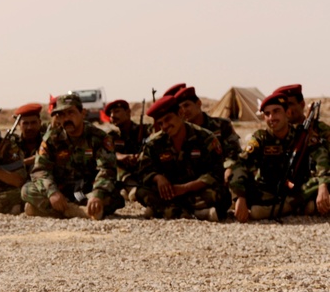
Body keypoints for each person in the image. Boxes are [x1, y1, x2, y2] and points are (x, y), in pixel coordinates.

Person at [228, 92, 330, 221]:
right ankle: (299, 207)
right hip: (268, 191)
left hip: (298, 188)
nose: (272, 117)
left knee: (320, 183)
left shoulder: (302, 136)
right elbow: (241, 164)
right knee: (232, 183)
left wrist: (323, 186)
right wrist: (240, 197)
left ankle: (283, 208)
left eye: (276, 112)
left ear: (287, 113)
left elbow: (322, 158)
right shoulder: (261, 138)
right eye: (267, 114)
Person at [21, 93, 118, 220]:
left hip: (89, 189)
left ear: (82, 113)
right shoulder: (51, 138)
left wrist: (97, 194)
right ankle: (77, 211)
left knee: (113, 196)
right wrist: (52, 192)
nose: (66, 118)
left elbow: (107, 169)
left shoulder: (99, 137)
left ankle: (47, 210)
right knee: (27, 190)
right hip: (61, 190)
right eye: (61, 115)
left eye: (71, 113)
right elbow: (40, 169)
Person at [134, 96, 225, 221]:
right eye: (160, 123)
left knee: (222, 194)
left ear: (180, 113)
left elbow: (217, 173)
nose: (165, 126)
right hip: (170, 192)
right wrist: (158, 178)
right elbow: (143, 171)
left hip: (196, 190)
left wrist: (185, 188)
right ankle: (193, 213)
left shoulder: (205, 138)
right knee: (141, 192)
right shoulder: (154, 143)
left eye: (168, 119)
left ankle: (166, 210)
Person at [173, 86, 240, 165]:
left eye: (186, 105)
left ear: (198, 103)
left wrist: (228, 167)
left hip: (223, 168)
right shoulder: (183, 132)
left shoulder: (221, 125)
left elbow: (234, 152)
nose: (184, 111)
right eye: (180, 108)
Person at [6, 103, 46, 170]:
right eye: (25, 123)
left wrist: (23, 163)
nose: (29, 127)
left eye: (33, 123)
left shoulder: (48, 141)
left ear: (39, 122)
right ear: (19, 124)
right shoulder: (12, 144)